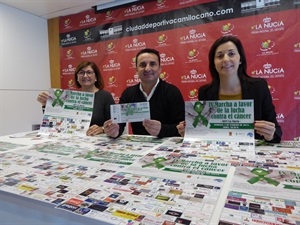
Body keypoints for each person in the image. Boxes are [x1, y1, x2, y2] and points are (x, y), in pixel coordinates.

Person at [177, 35, 282, 143]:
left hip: (252, 153)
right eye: (220, 56)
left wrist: (270, 134)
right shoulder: (205, 92)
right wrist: (190, 131)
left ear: (240, 59)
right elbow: (205, 131)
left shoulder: (259, 87)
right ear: (213, 63)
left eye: (231, 54)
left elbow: (277, 131)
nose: (226, 59)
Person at [103, 48, 185, 138]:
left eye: (152, 64)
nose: (147, 68)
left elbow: (181, 128)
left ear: (160, 69)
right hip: (138, 146)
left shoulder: (172, 92)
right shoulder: (128, 93)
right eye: (142, 65)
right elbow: (119, 124)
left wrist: (162, 129)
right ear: (136, 70)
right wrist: (114, 131)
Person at [37, 61, 115, 136]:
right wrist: (44, 104)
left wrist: (102, 129)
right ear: (77, 78)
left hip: (98, 142)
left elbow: (115, 124)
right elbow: (54, 122)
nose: (85, 75)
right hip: (73, 141)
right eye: (81, 72)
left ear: (96, 77)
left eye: (89, 72)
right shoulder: (69, 97)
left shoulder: (105, 97)